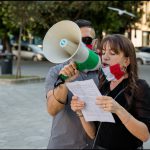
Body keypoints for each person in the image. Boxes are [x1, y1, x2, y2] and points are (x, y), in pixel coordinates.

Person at [69, 34, 150, 149]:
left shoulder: (139, 87)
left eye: (112, 53)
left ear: (126, 61)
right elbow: (93, 134)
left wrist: (118, 109)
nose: (105, 57)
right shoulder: (103, 86)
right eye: (103, 52)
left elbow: (145, 135)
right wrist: (81, 112)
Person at [45, 19, 99, 149]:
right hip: (63, 144)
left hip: (94, 145)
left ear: (95, 43)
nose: (80, 47)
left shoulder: (103, 72)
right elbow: (52, 110)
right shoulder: (56, 72)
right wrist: (64, 83)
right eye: (75, 43)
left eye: (86, 41)